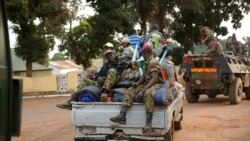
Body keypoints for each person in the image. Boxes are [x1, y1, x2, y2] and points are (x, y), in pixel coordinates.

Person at [110, 44, 164, 132]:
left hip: (156, 83)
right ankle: (122, 115)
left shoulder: (153, 62)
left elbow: (154, 78)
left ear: (146, 53)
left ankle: (148, 123)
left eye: (143, 53)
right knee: (130, 90)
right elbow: (144, 77)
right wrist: (137, 84)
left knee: (148, 94)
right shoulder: (146, 62)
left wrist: (142, 91)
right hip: (148, 82)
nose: (142, 55)